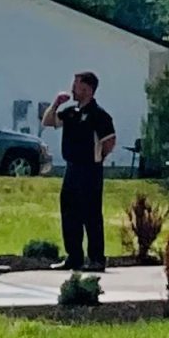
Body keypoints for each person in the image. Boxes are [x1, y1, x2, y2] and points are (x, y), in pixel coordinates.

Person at [42, 71, 117, 271]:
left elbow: (109, 141)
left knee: (91, 214)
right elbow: (48, 121)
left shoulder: (99, 115)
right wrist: (56, 103)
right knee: (69, 213)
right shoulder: (71, 112)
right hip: (72, 168)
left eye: (76, 85)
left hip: (90, 170)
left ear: (87, 89)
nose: (72, 89)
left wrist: (98, 157)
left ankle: (96, 259)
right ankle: (74, 256)